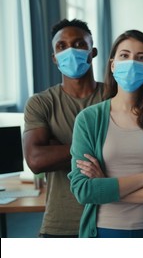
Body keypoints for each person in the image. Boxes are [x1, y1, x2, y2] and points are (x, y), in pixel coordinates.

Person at [68, 30, 143, 238]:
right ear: (113, 65)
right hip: (104, 231)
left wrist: (106, 186)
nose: (132, 62)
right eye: (124, 55)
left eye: (141, 58)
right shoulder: (89, 119)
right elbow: (84, 190)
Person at [23, 19, 104, 237]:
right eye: (62, 46)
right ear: (54, 58)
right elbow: (36, 160)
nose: (71, 51)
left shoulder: (114, 97)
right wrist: (98, 145)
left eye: (79, 44)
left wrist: (57, 148)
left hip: (112, 219)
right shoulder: (41, 103)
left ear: (92, 51)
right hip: (61, 225)